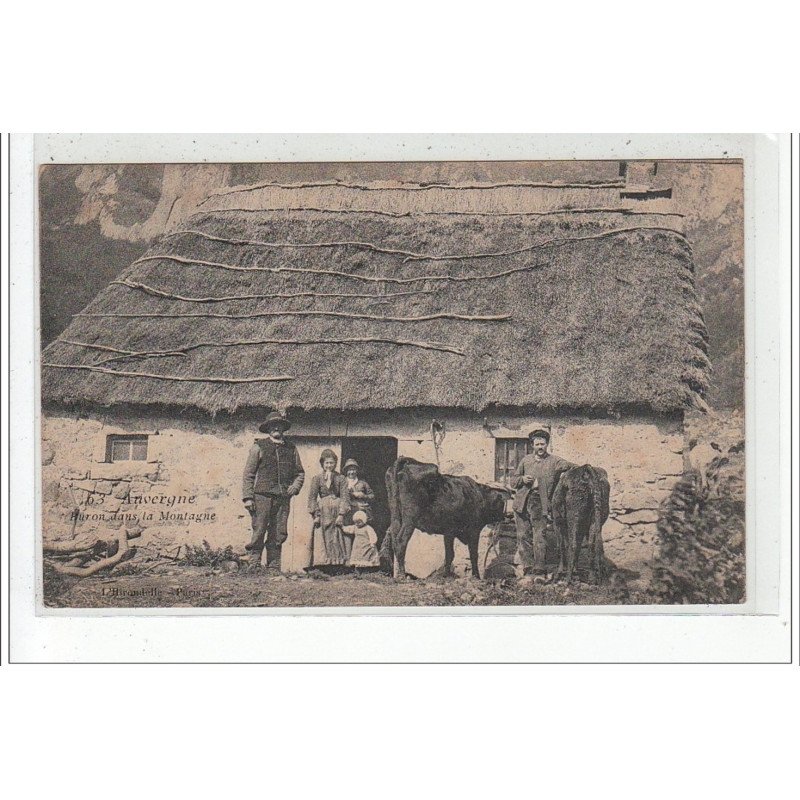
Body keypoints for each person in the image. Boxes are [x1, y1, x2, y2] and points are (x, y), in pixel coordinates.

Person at [242, 412, 305, 571]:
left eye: (279, 425)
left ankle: (273, 566)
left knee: (279, 531)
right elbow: (249, 474)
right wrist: (248, 497)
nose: (276, 428)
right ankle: (254, 564)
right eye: (273, 425)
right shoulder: (258, 447)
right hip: (262, 496)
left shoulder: (291, 448)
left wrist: (295, 487)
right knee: (259, 528)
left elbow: (299, 473)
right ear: (268, 428)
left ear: (283, 428)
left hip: (283, 497)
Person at [511, 428, 575, 579]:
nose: (540, 447)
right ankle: (528, 567)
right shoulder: (526, 460)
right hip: (522, 502)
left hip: (540, 502)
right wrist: (522, 479)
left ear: (547, 445)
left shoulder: (555, 461)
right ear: (532, 445)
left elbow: (572, 466)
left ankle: (539, 569)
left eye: (543, 444)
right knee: (522, 535)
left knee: (539, 535)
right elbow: (513, 481)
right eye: (537, 444)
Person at [308, 449, 351, 565]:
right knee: (323, 536)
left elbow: (345, 497)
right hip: (323, 511)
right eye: (326, 463)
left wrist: (341, 514)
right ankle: (322, 563)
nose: (329, 465)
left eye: (331, 463)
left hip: (337, 510)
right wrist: (316, 514)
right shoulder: (317, 479)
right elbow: (312, 498)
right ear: (322, 463)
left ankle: (338, 563)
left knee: (337, 535)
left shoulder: (341, 478)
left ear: (335, 463)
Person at [341, 458, 376, 525]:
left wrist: (363, 496)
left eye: (353, 470)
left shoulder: (363, 483)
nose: (351, 472)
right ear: (346, 471)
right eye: (349, 470)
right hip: (347, 511)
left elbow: (372, 496)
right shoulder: (342, 483)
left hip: (361, 512)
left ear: (357, 471)